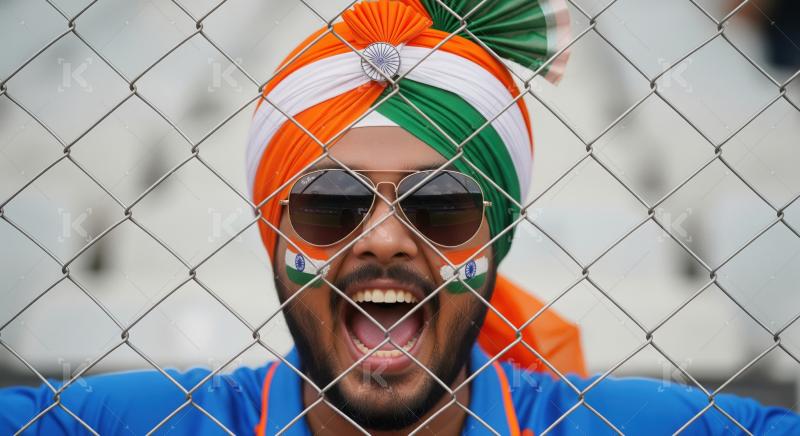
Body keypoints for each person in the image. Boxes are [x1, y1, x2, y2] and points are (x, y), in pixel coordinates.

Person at [1, 0, 798, 434]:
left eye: (442, 204)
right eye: (331, 204)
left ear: (496, 237)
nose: (383, 238)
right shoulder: (152, 421)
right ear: (274, 238)